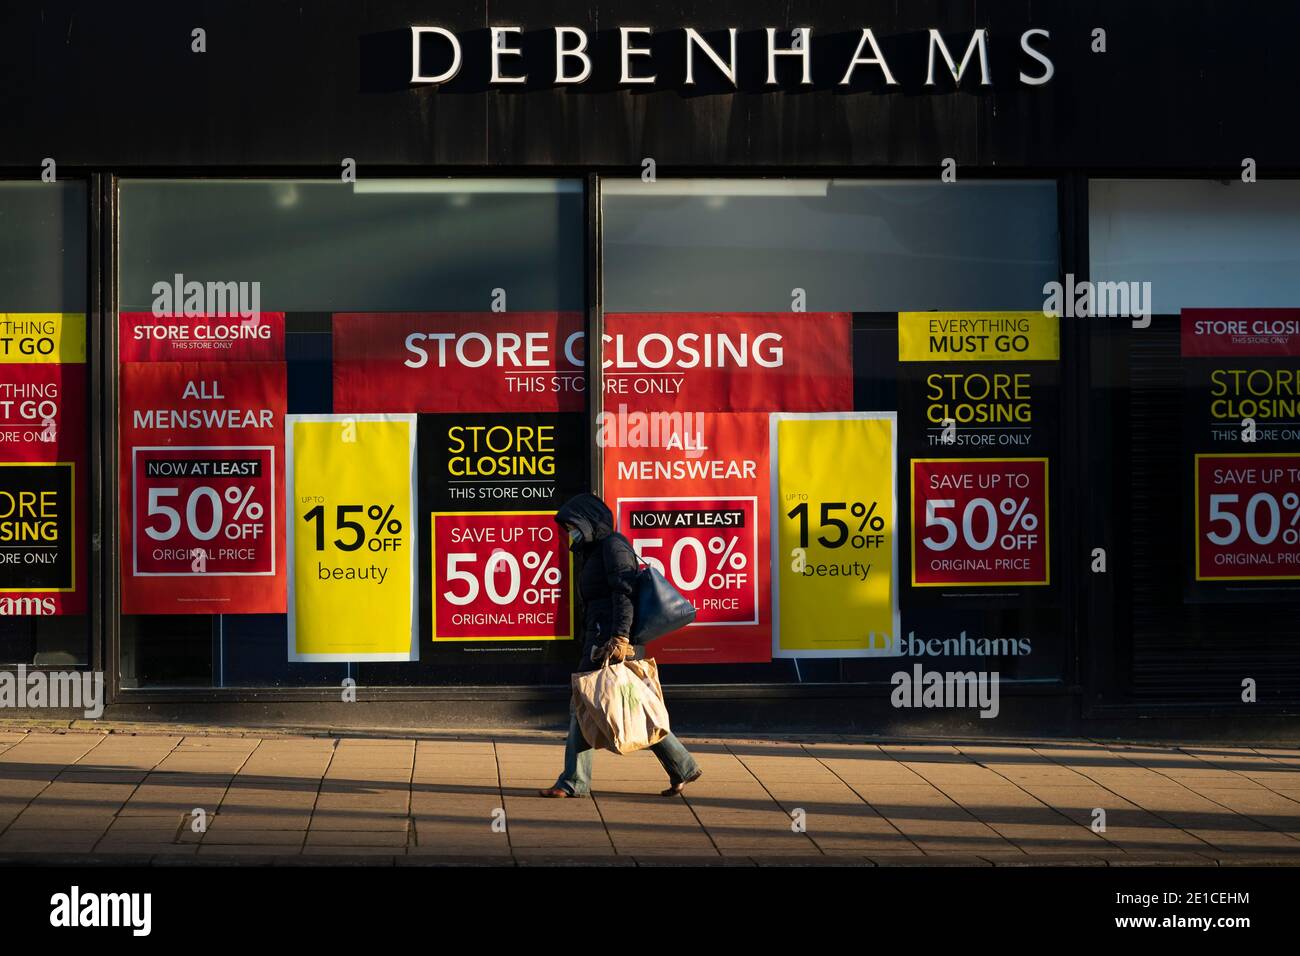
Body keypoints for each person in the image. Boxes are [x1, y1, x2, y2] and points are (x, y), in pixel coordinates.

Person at [539, 492, 703, 798]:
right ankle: (682, 765)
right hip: (600, 634)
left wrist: (620, 638)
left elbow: (624, 594)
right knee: (630, 704)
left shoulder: (613, 545)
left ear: (588, 522)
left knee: (585, 704)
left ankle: (574, 781)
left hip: (611, 638)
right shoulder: (593, 549)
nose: (569, 532)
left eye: (573, 525)